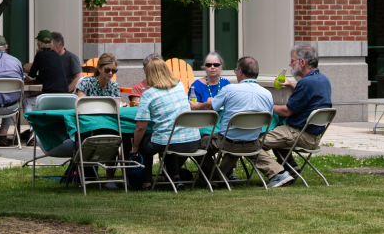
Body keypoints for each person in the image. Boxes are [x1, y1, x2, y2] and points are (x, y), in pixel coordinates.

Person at [191, 56, 293, 188]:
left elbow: (212, 107)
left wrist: (206, 102)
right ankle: (222, 177)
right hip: (252, 141)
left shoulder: (230, 89)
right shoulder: (267, 94)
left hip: (227, 142)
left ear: (240, 72)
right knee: (239, 144)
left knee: (195, 144)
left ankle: (218, 178)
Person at [130, 57, 199, 188]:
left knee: (146, 143)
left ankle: (147, 183)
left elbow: (141, 127)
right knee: (168, 140)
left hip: (171, 142)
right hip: (193, 141)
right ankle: (176, 178)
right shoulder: (179, 85)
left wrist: (134, 147)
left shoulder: (148, 94)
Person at [263, 45, 332, 173]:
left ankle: (277, 172)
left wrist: (266, 105)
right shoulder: (323, 79)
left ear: (302, 62)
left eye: (292, 60)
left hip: (301, 134)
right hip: (314, 136)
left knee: (254, 142)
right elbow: (309, 99)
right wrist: (291, 86)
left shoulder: (305, 83)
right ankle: (291, 166)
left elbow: (286, 111)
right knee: (278, 132)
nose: (290, 64)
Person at [23, 30, 68, 111]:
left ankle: (33, 123)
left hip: (49, 97)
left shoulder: (40, 55)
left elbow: (32, 74)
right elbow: (49, 74)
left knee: (26, 101)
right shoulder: (57, 56)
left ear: (39, 42)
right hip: (65, 97)